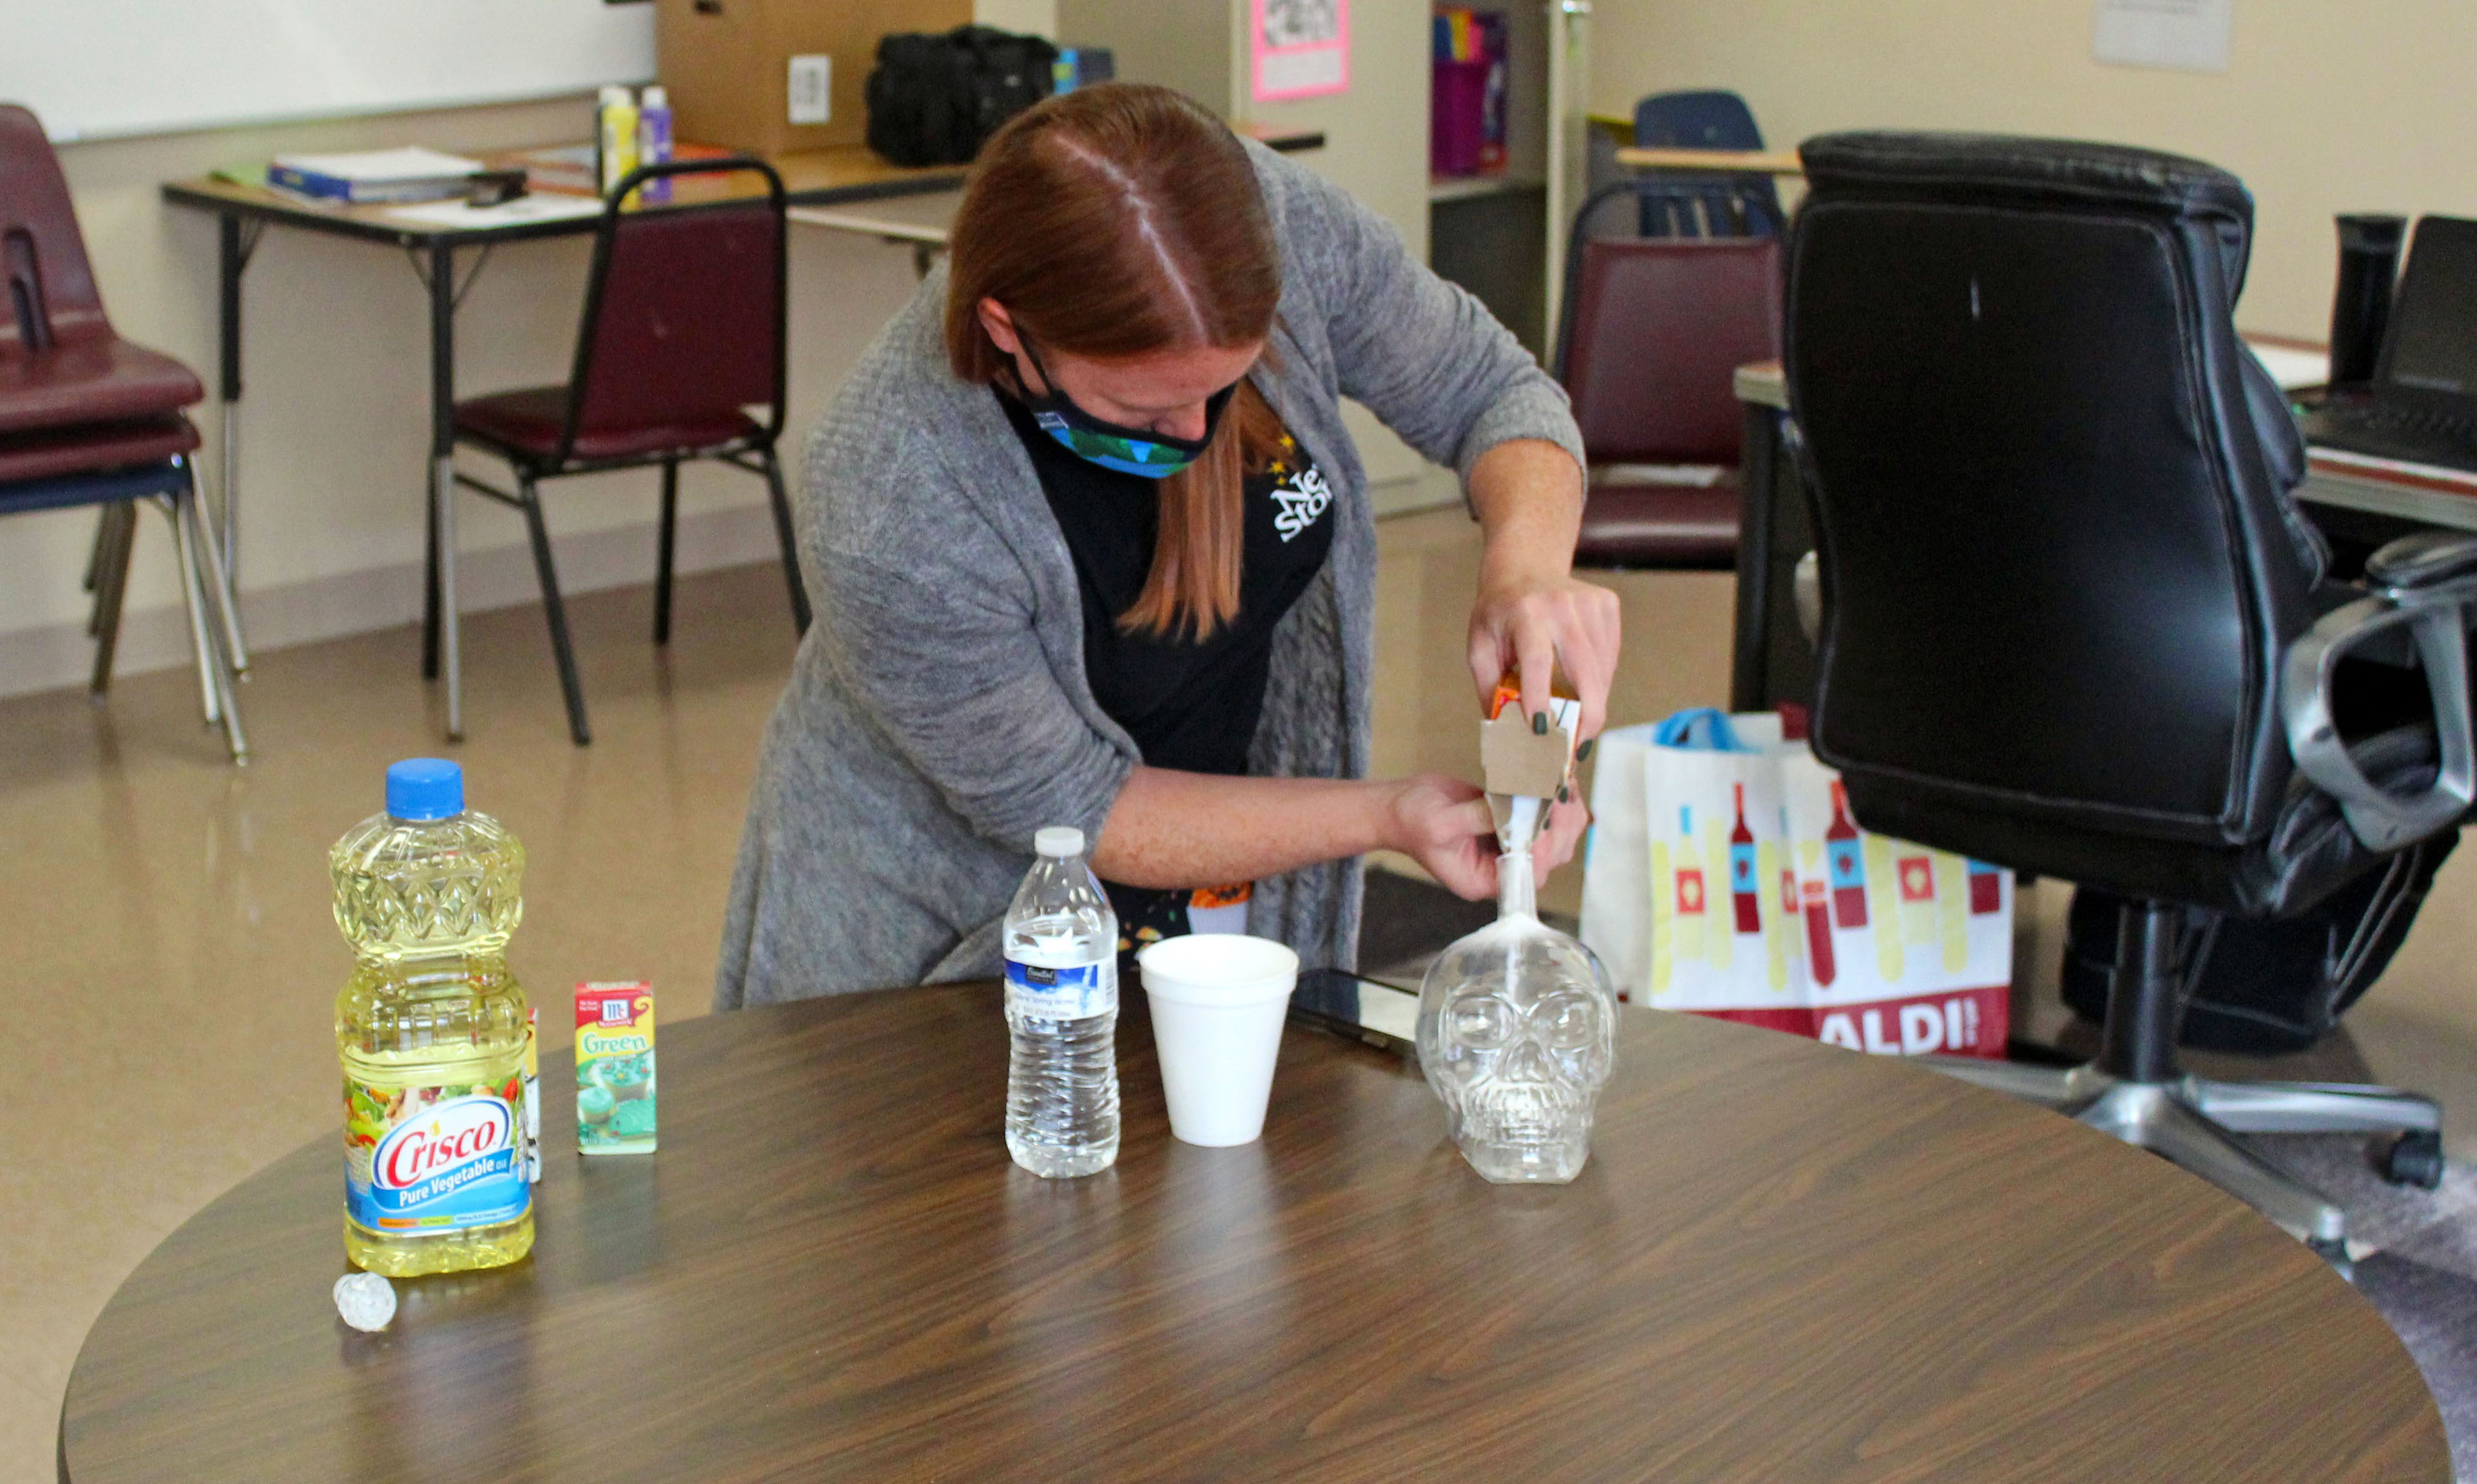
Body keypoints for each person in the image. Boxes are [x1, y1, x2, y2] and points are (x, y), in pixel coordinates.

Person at [715, 84, 1618, 1007]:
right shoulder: (894, 499)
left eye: (1223, 391)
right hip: (939, 961)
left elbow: (1487, 389)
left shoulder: (1261, 228)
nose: (1193, 433)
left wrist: (1527, 569)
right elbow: (1083, 808)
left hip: (1202, 898)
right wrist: (1387, 814)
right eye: (1143, 411)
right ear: (1006, 329)